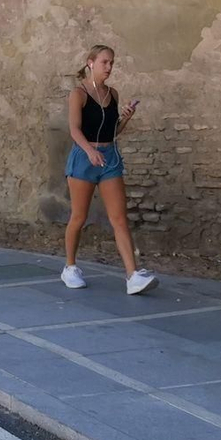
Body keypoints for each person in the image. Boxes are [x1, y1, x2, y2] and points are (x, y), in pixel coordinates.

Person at [62, 43, 157, 295]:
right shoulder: (79, 93)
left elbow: (112, 131)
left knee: (119, 218)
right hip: (84, 158)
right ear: (90, 63)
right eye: (104, 62)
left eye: (112, 63)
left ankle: (132, 275)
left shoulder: (113, 94)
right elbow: (74, 129)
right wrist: (89, 151)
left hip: (109, 158)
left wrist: (126, 117)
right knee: (79, 217)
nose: (109, 67)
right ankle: (70, 267)